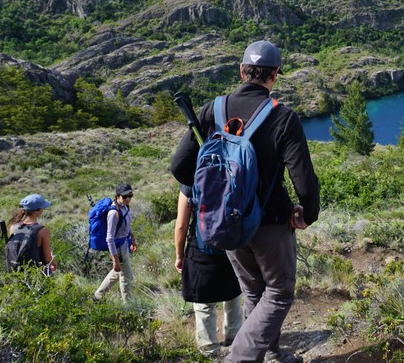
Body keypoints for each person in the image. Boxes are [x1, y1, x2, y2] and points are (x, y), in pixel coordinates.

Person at [171, 40, 321, 363]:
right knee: (278, 293)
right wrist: (307, 214)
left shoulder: (214, 109)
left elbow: (180, 166)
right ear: (275, 75)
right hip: (270, 224)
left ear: (242, 71)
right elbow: (305, 183)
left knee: (254, 292)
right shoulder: (283, 118)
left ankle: (269, 353)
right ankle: (240, 358)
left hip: (227, 224)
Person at [175, 185, 243, 356]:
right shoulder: (231, 169)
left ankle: (209, 348)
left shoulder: (189, 181)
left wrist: (179, 255)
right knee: (233, 292)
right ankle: (234, 338)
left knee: (203, 299)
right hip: (232, 242)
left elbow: (181, 225)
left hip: (201, 246)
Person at [94, 183, 137, 302]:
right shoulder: (113, 213)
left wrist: (132, 239)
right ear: (117, 196)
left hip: (124, 244)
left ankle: (98, 296)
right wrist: (115, 259)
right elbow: (109, 238)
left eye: (130, 195)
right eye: (125, 196)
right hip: (118, 249)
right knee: (127, 276)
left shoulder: (124, 207)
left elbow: (127, 225)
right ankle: (127, 304)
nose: (128, 199)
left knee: (117, 273)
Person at [6, 193, 56, 273]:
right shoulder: (42, 231)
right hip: (36, 275)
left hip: (16, 273)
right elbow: (47, 258)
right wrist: (54, 263)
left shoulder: (13, 227)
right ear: (37, 211)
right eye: (42, 208)